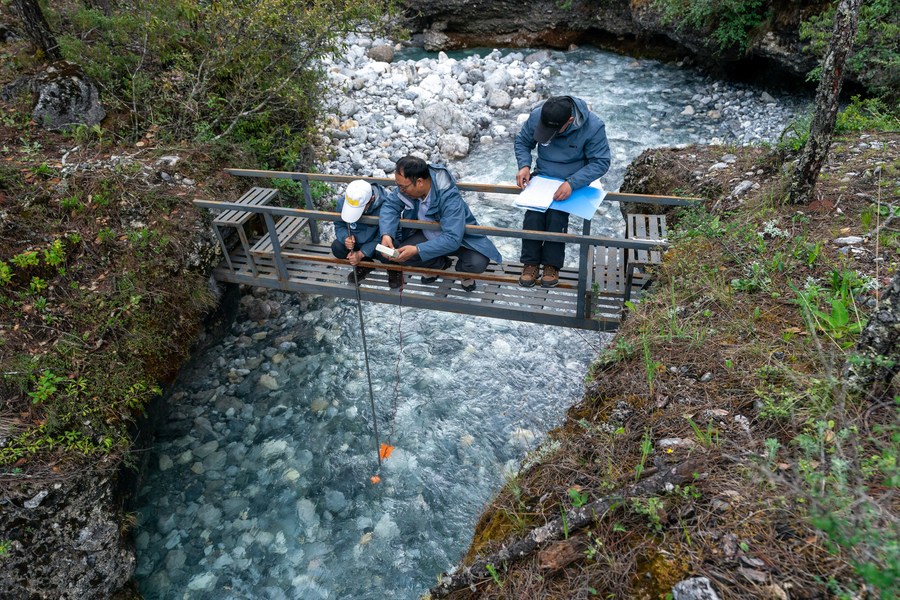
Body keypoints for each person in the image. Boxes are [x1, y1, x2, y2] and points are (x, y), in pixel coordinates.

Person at [514, 95, 611, 288]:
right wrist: (524, 165)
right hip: (542, 177)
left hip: (572, 180)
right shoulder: (537, 116)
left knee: (557, 218)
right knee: (533, 216)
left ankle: (551, 266)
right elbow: (523, 142)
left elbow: (601, 162)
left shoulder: (593, 126)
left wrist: (572, 183)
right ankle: (530, 264)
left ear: (569, 121)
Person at [377, 155, 502, 292]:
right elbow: (390, 206)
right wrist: (387, 234)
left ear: (419, 182)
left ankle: (463, 272)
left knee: (477, 263)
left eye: (402, 187)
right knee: (400, 255)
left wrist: (418, 249)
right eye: (398, 186)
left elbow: (453, 238)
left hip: (461, 241)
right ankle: (439, 265)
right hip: (428, 235)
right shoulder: (406, 190)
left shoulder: (449, 197)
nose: (400, 190)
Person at [332, 179, 389, 284]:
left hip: (376, 244)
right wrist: (345, 237)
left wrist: (362, 253)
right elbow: (339, 225)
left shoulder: (385, 206)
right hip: (356, 242)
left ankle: (393, 269)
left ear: (371, 199)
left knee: (389, 251)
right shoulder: (342, 202)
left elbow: (384, 235)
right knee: (337, 247)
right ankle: (365, 264)